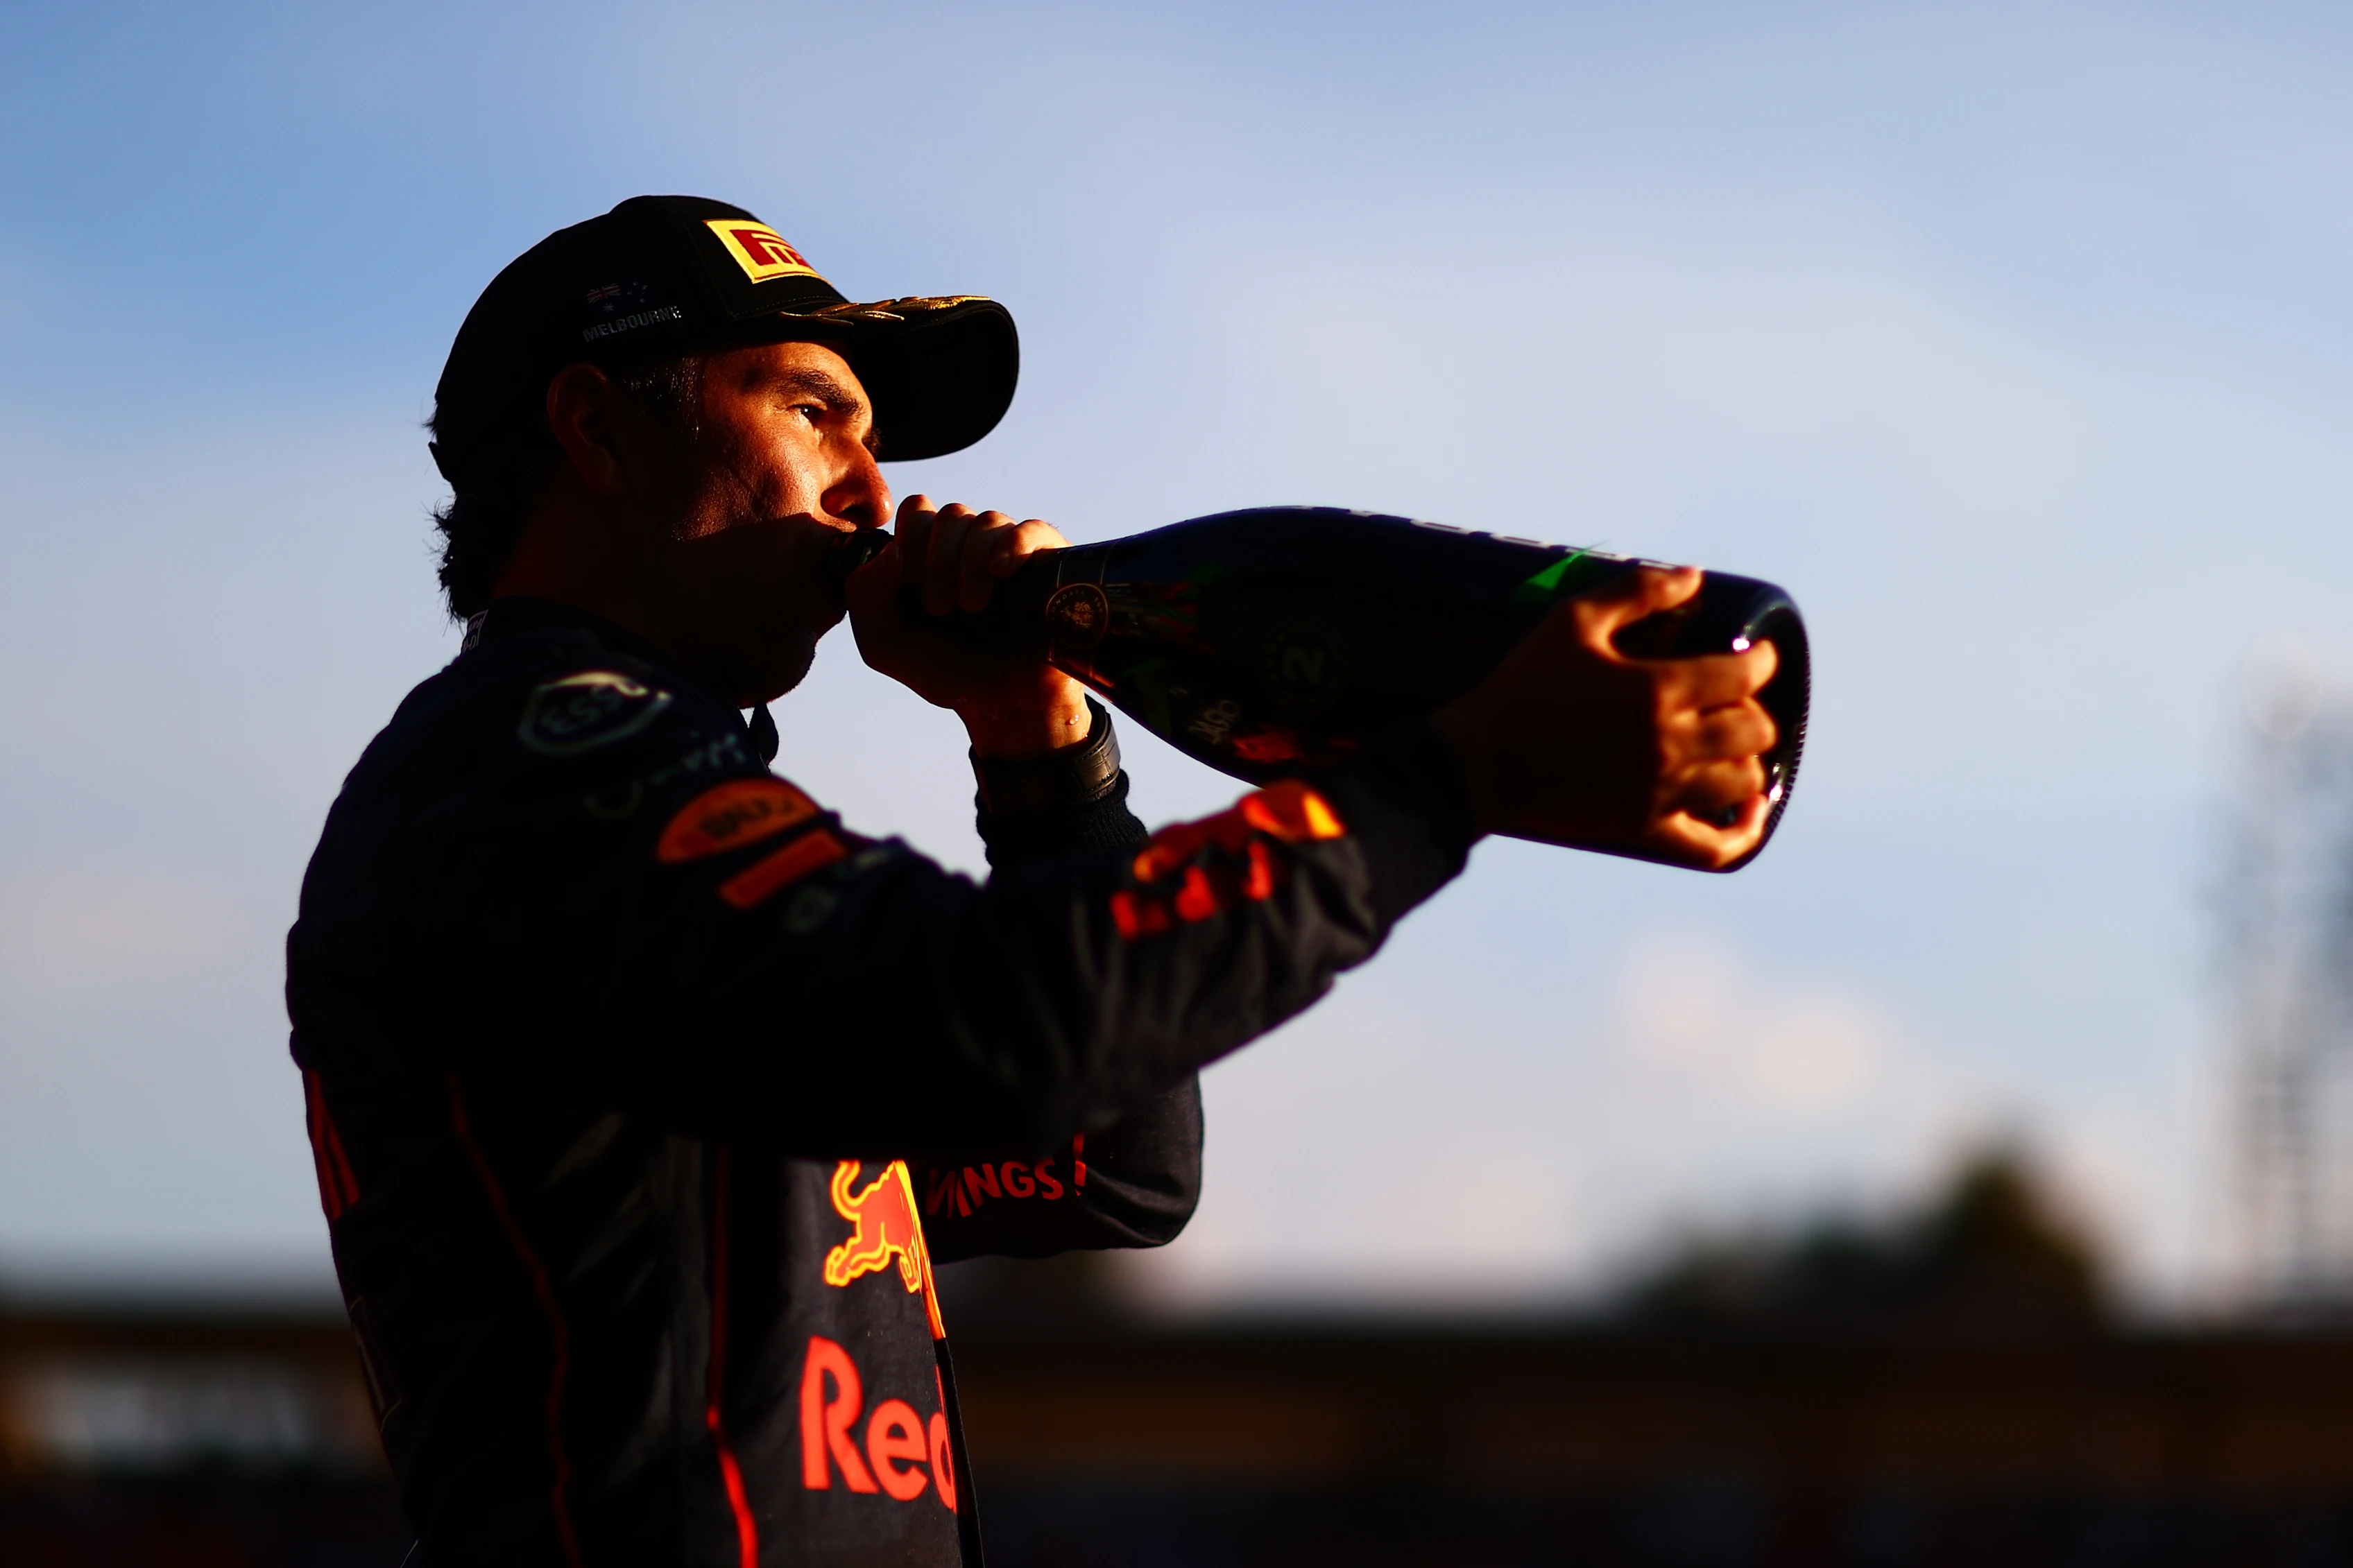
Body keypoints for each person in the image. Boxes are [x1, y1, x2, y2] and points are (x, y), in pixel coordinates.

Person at [286, 195, 1779, 1567]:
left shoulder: (633, 812)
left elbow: (1117, 1165)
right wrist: (1449, 778)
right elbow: (988, 1017)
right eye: (817, 412)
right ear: (597, 431)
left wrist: (1038, 735)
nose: (876, 488)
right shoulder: (530, 762)